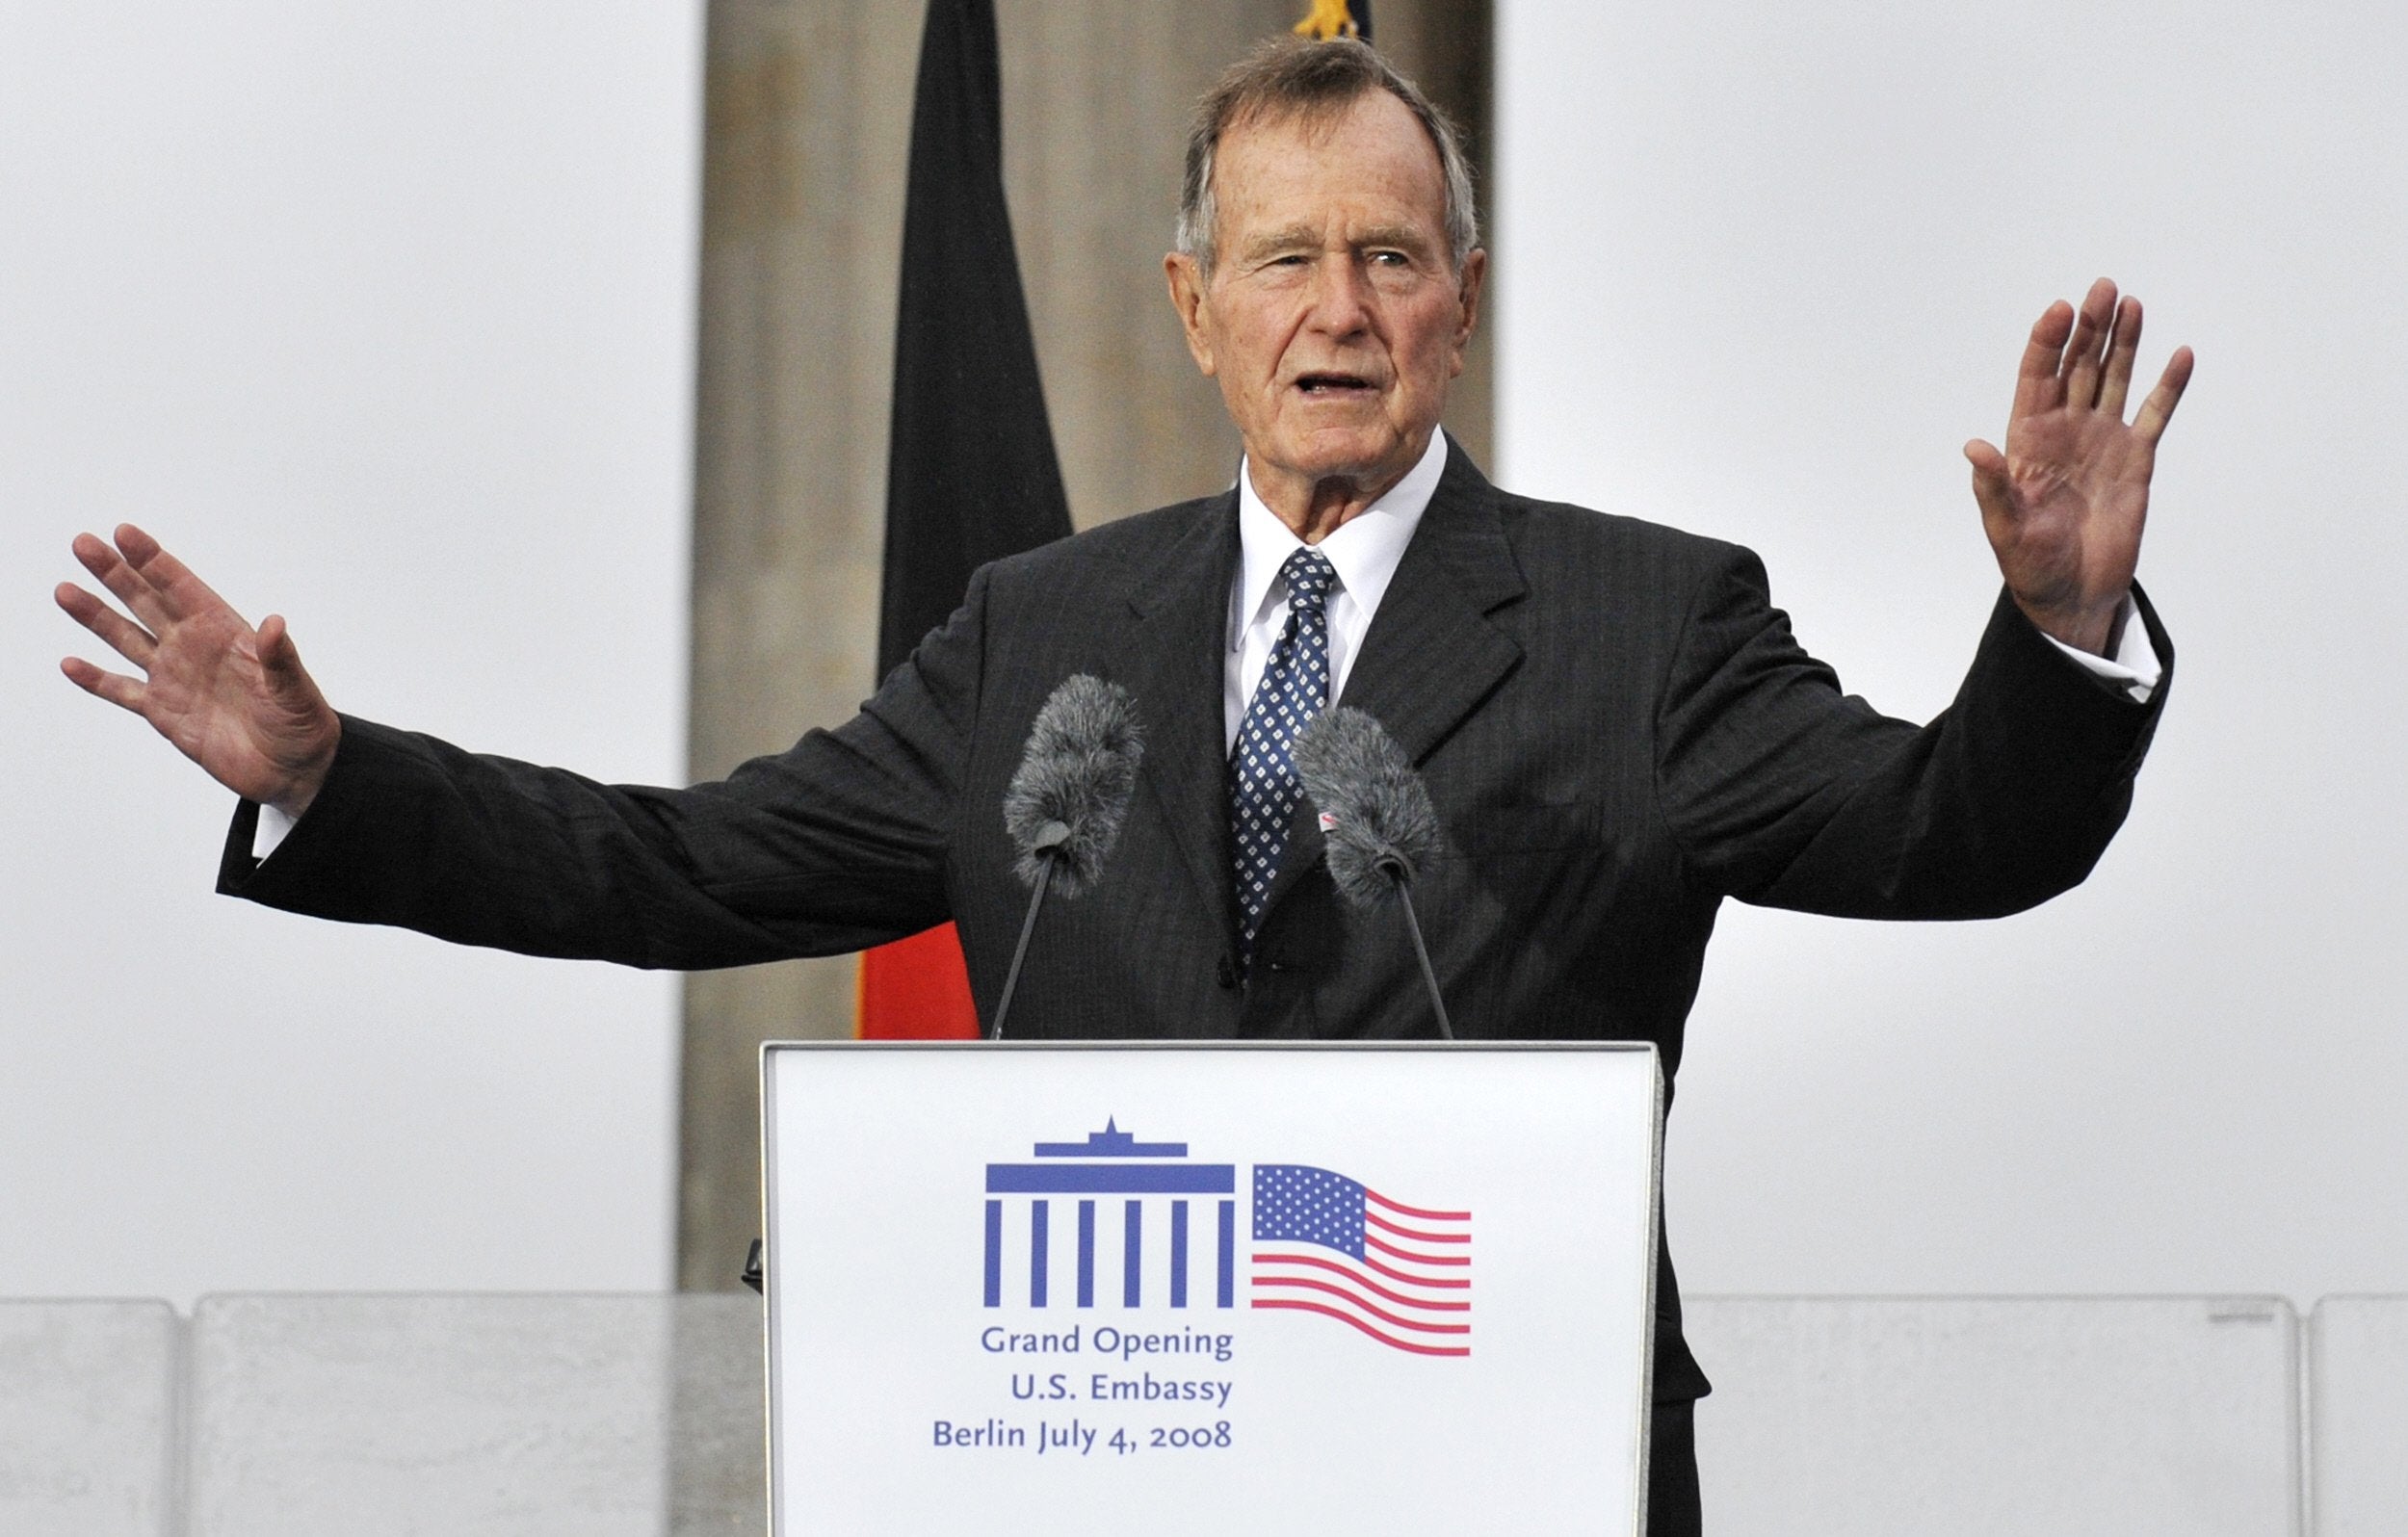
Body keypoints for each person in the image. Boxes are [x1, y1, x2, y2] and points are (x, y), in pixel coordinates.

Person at [56, 39, 2187, 1535]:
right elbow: (682, 865)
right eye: (1281, 259)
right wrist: (333, 778)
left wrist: (2056, 640)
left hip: (1501, 1476)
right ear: (1194, 306)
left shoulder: (1648, 628)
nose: (1333, 312)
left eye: (1385, 258)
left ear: (1459, 301)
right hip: (1100, 1476)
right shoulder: (1034, 639)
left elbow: (1945, 834)